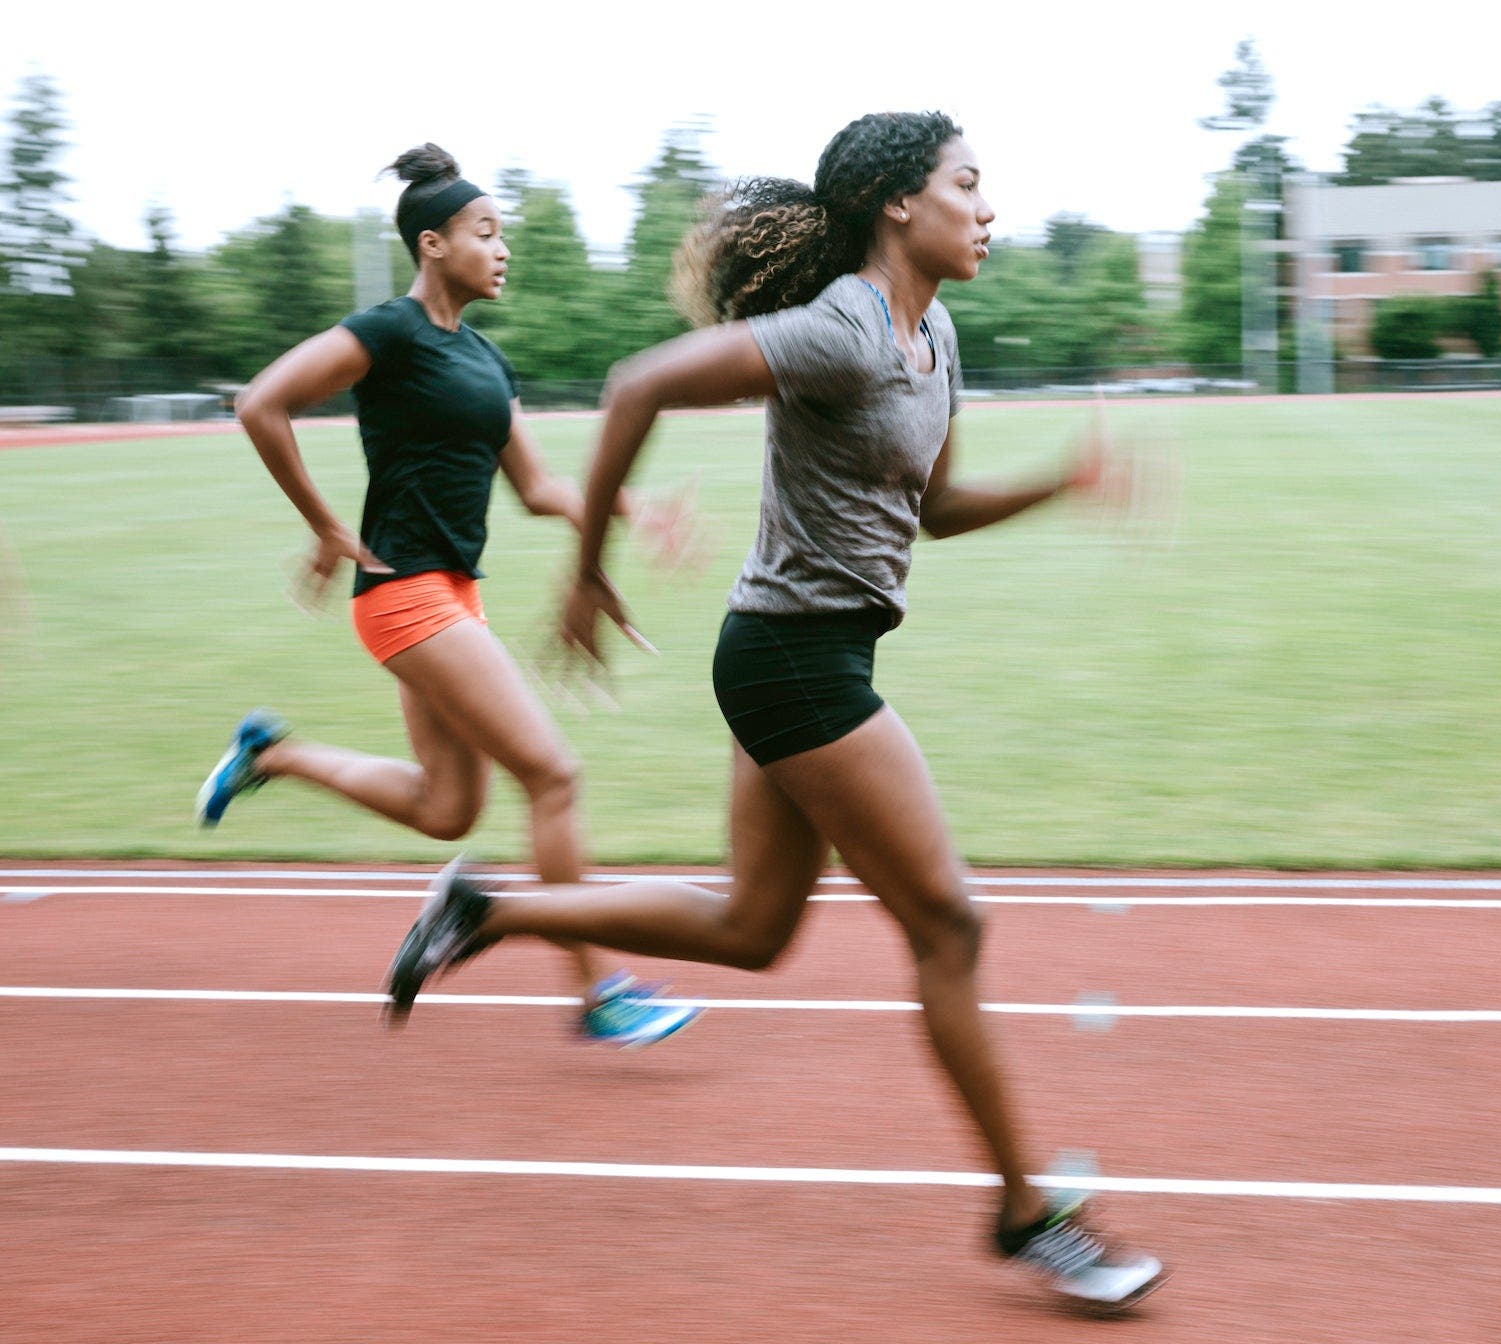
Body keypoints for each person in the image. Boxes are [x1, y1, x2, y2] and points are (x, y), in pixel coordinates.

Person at [384, 111, 1166, 1313]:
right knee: (950, 927)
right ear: (900, 205)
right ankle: (1025, 1214)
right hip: (796, 664)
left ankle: (492, 907)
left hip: (800, 654)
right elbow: (639, 381)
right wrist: (587, 566)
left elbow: (938, 509)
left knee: (754, 928)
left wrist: (1063, 481)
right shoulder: (841, 327)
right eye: (969, 183)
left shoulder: (931, 331)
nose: (989, 207)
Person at [203, 143, 696, 1049]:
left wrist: (638, 508)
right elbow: (260, 404)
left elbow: (543, 490)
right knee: (553, 773)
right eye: (486, 232)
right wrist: (323, 526)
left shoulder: (489, 364)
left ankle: (270, 754)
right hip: (402, 594)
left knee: (445, 808)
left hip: (455, 596)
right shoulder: (386, 334)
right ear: (433, 244)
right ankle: (598, 992)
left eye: (503, 234)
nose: (503, 248)